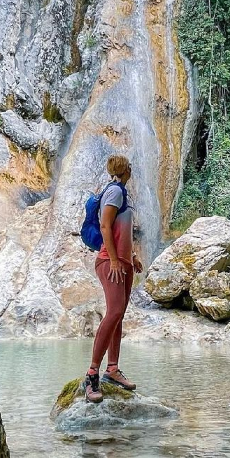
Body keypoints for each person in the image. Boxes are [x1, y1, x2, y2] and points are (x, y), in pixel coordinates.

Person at [84, 154, 143, 403]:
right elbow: (106, 226)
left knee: (118, 315)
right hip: (110, 261)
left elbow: (122, 231)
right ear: (124, 169)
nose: (132, 168)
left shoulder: (120, 194)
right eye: (129, 165)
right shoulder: (115, 192)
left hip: (124, 261)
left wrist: (132, 256)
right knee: (114, 311)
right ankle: (91, 374)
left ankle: (113, 369)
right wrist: (116, 260)